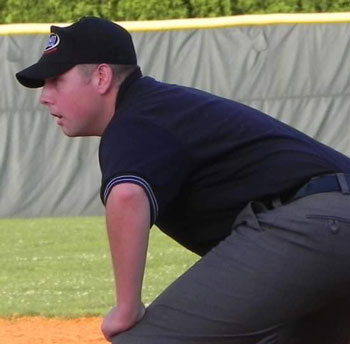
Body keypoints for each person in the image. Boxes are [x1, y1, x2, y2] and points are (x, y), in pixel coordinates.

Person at [16, 16, 350, 344]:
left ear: (102, 77)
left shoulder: (134, 120)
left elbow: (128, 197)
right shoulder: (161, 108)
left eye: (55, 80)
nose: (45, 96)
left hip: (316, 227)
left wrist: (127, 307)